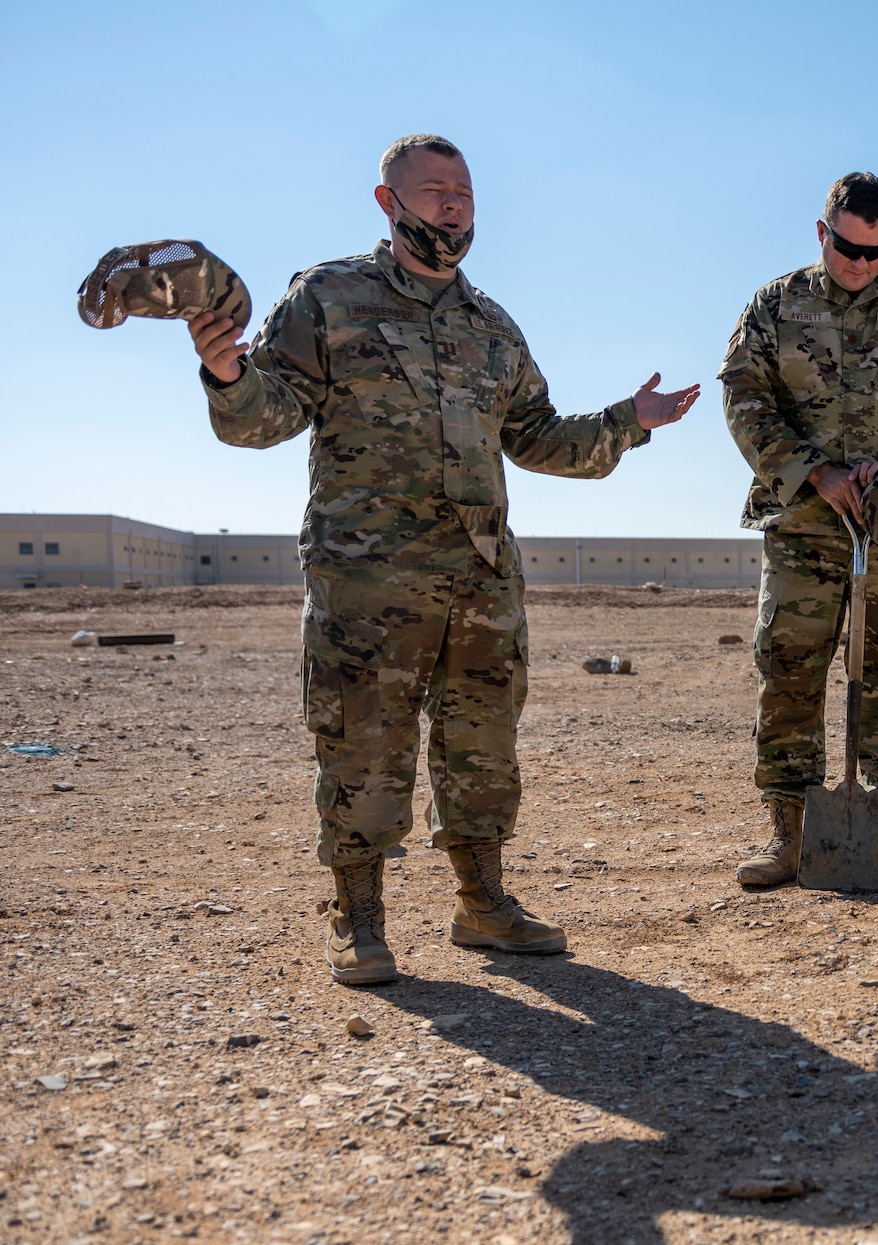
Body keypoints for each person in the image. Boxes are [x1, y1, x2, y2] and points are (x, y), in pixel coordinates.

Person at [188, 134, 700, 984]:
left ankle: (483, 903)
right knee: (363, 743)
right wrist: (225, 375)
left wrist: (628, 420)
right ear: (388, 203)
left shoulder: (492, 325)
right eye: (433, 189)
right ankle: (356, 916)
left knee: (482, 746)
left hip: (480, 578)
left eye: (463, 190)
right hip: (368, 576)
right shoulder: (328, 298)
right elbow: (264, 417)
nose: (454, 203)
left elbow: (537, 436)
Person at [720, 172, 878, 887]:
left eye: (876, 251)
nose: (860, 264)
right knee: (790, 674)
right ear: (821, 231)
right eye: (846, 247)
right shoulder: (775, 308)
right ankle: (789, 836)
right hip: (803, 525)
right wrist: (812, 473)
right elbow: (744, 398)